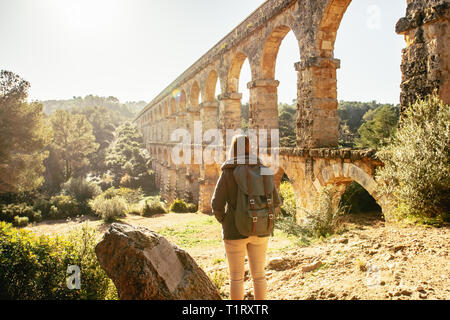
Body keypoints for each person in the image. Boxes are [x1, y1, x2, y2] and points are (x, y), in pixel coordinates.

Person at [211, 134, 281, 300]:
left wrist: (226, 221)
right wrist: (264, 217)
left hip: (234, 231)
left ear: (233, 150)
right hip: (261, 229)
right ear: (251, 148)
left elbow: (216, 205)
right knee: (259, 275)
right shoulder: (264, 169)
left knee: (236, 278)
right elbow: (276, 202)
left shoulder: (229, 171)